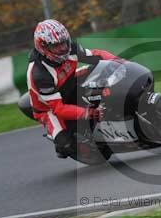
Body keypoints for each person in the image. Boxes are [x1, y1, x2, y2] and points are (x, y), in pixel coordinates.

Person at [26, 19, 119, 158]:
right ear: (43, 47)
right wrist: (90, 113)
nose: (63, 48)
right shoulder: (39, 74)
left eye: (64, 43)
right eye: (56, 46)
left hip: (71, 83)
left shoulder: (70, 49)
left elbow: (96, 55)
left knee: (103, 74)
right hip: (49, 108)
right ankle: (62, 145)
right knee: (66, 144)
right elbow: (59, 108)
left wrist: (120, 62)